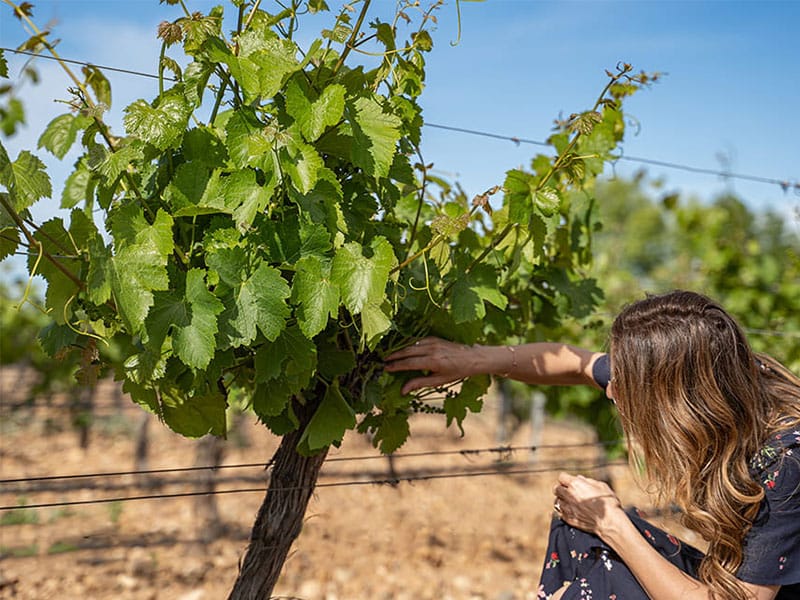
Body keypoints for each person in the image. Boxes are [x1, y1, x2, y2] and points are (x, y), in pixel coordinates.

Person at [384, 290, 800, 600]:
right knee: (584, 528)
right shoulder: (726, 376)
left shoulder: (786, 462)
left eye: (627, 384)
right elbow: (576, 363)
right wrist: (474, 360)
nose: (611, 390)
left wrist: (612, 524)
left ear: (677, 397)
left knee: (603, 531)